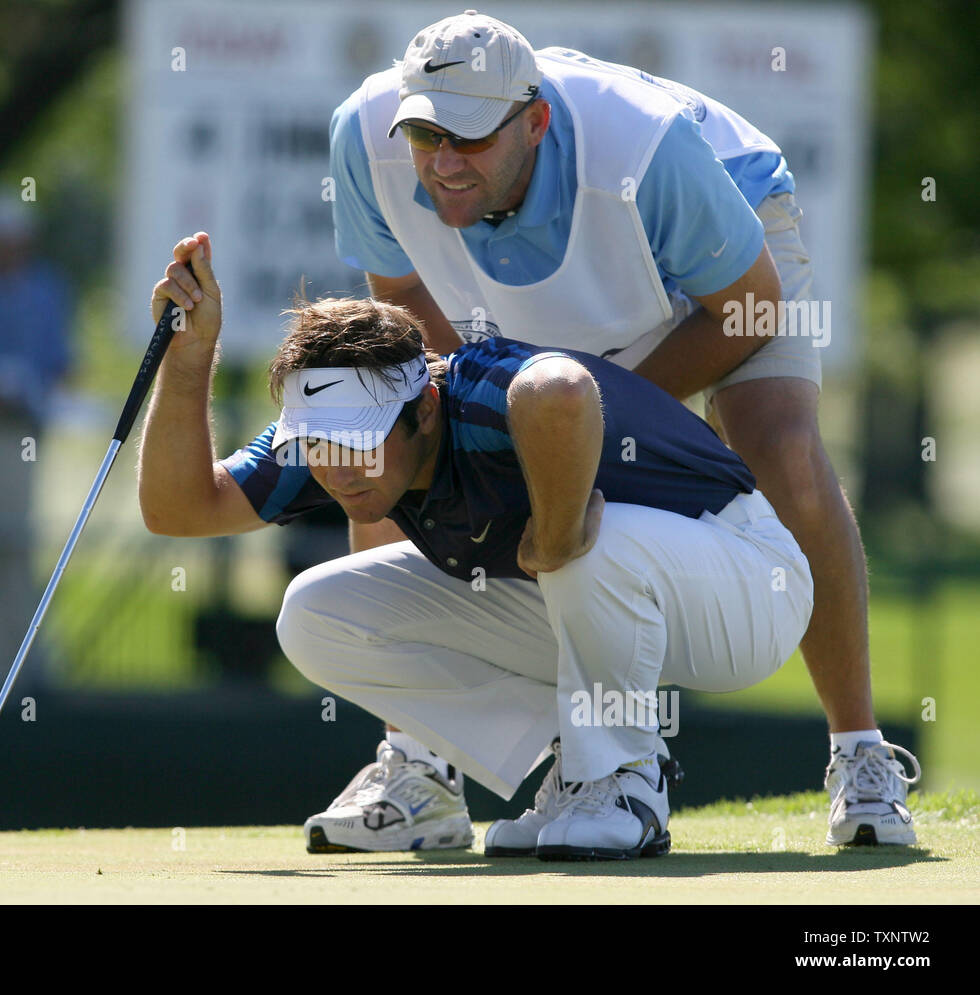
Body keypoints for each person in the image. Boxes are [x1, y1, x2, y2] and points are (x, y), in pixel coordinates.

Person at [322, 9, 921, 849]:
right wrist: (484, 431)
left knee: (779, 444)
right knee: (393, 439)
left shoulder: (645, 151)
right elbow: (407, 306)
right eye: (426, 135)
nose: (443, 163)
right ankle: (420, 767)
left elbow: (747, 308)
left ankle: (860, 754)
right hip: (570, 312)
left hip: (723, 259)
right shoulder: (365, 138)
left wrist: (589, 424)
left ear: (533, 121)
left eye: (470, 139)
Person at [138, 232, 816, 859]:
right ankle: (516, 776)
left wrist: (553, 537)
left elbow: (562, 390)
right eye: (316, 444)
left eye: (360, 438)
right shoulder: (333, 445)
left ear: (426, 405)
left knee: (584, 541)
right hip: (612, 610)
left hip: (748, 586)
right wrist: (190, 358)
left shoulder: (480, 394)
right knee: (316, 614)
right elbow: (179, 508)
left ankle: (626, 779)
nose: (338, 468)